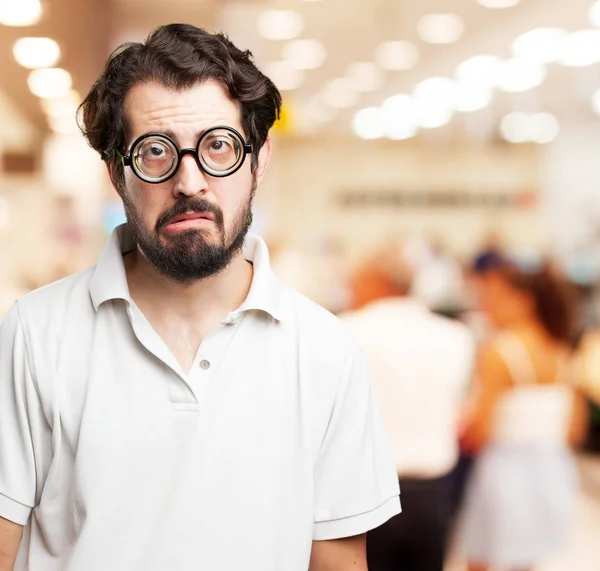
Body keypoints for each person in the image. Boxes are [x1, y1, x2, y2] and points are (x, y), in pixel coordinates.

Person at [0, 24, 400, 571]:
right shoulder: (33, 333)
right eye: (156, 151)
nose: (190, 181)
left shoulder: (326, 350)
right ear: (118, 174)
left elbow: (336, 560)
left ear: (257, 163)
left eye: (218, 145)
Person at [340, 241, 475, 571]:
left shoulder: (346, 330)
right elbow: (461, 410)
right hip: (434, 491)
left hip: (366, 494)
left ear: (378, 282)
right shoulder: (456, 335)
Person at [457, 253, 588, 571]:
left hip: (504, 472)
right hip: (553, 471)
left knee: (482, 558)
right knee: (525, 561)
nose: (485, 305)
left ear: (523, 300)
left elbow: (481, 428)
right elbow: (574, 428)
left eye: (493, 298)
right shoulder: (558, 349)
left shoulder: (500, 352)